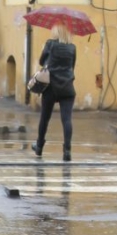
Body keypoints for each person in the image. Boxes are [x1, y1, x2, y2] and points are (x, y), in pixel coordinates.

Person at [31, 24, 77, 162]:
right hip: (67, 88)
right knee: (67, 119)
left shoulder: (50, 44)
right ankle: (67, 151)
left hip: (51, 87)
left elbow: (41, 61)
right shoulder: (72, 47)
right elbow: (72, 67)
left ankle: (39, 147)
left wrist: (47, 58)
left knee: (45, 118)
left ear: (56, 32)